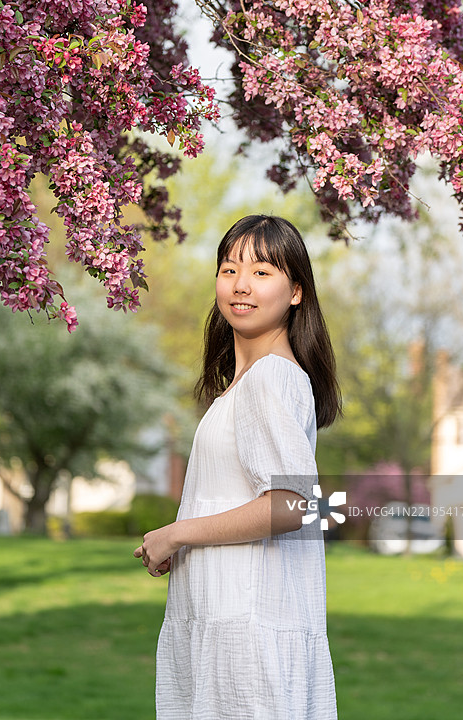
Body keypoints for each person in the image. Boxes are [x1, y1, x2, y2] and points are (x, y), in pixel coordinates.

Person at [134, 214, 342, 720]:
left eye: (262, 272)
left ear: (296, 292)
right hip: (224, 628)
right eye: (229, 269)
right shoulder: (246, 383)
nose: (241, 285)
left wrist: (179, 533)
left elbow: (293, 505)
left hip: (248, 642)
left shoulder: (272, 376)